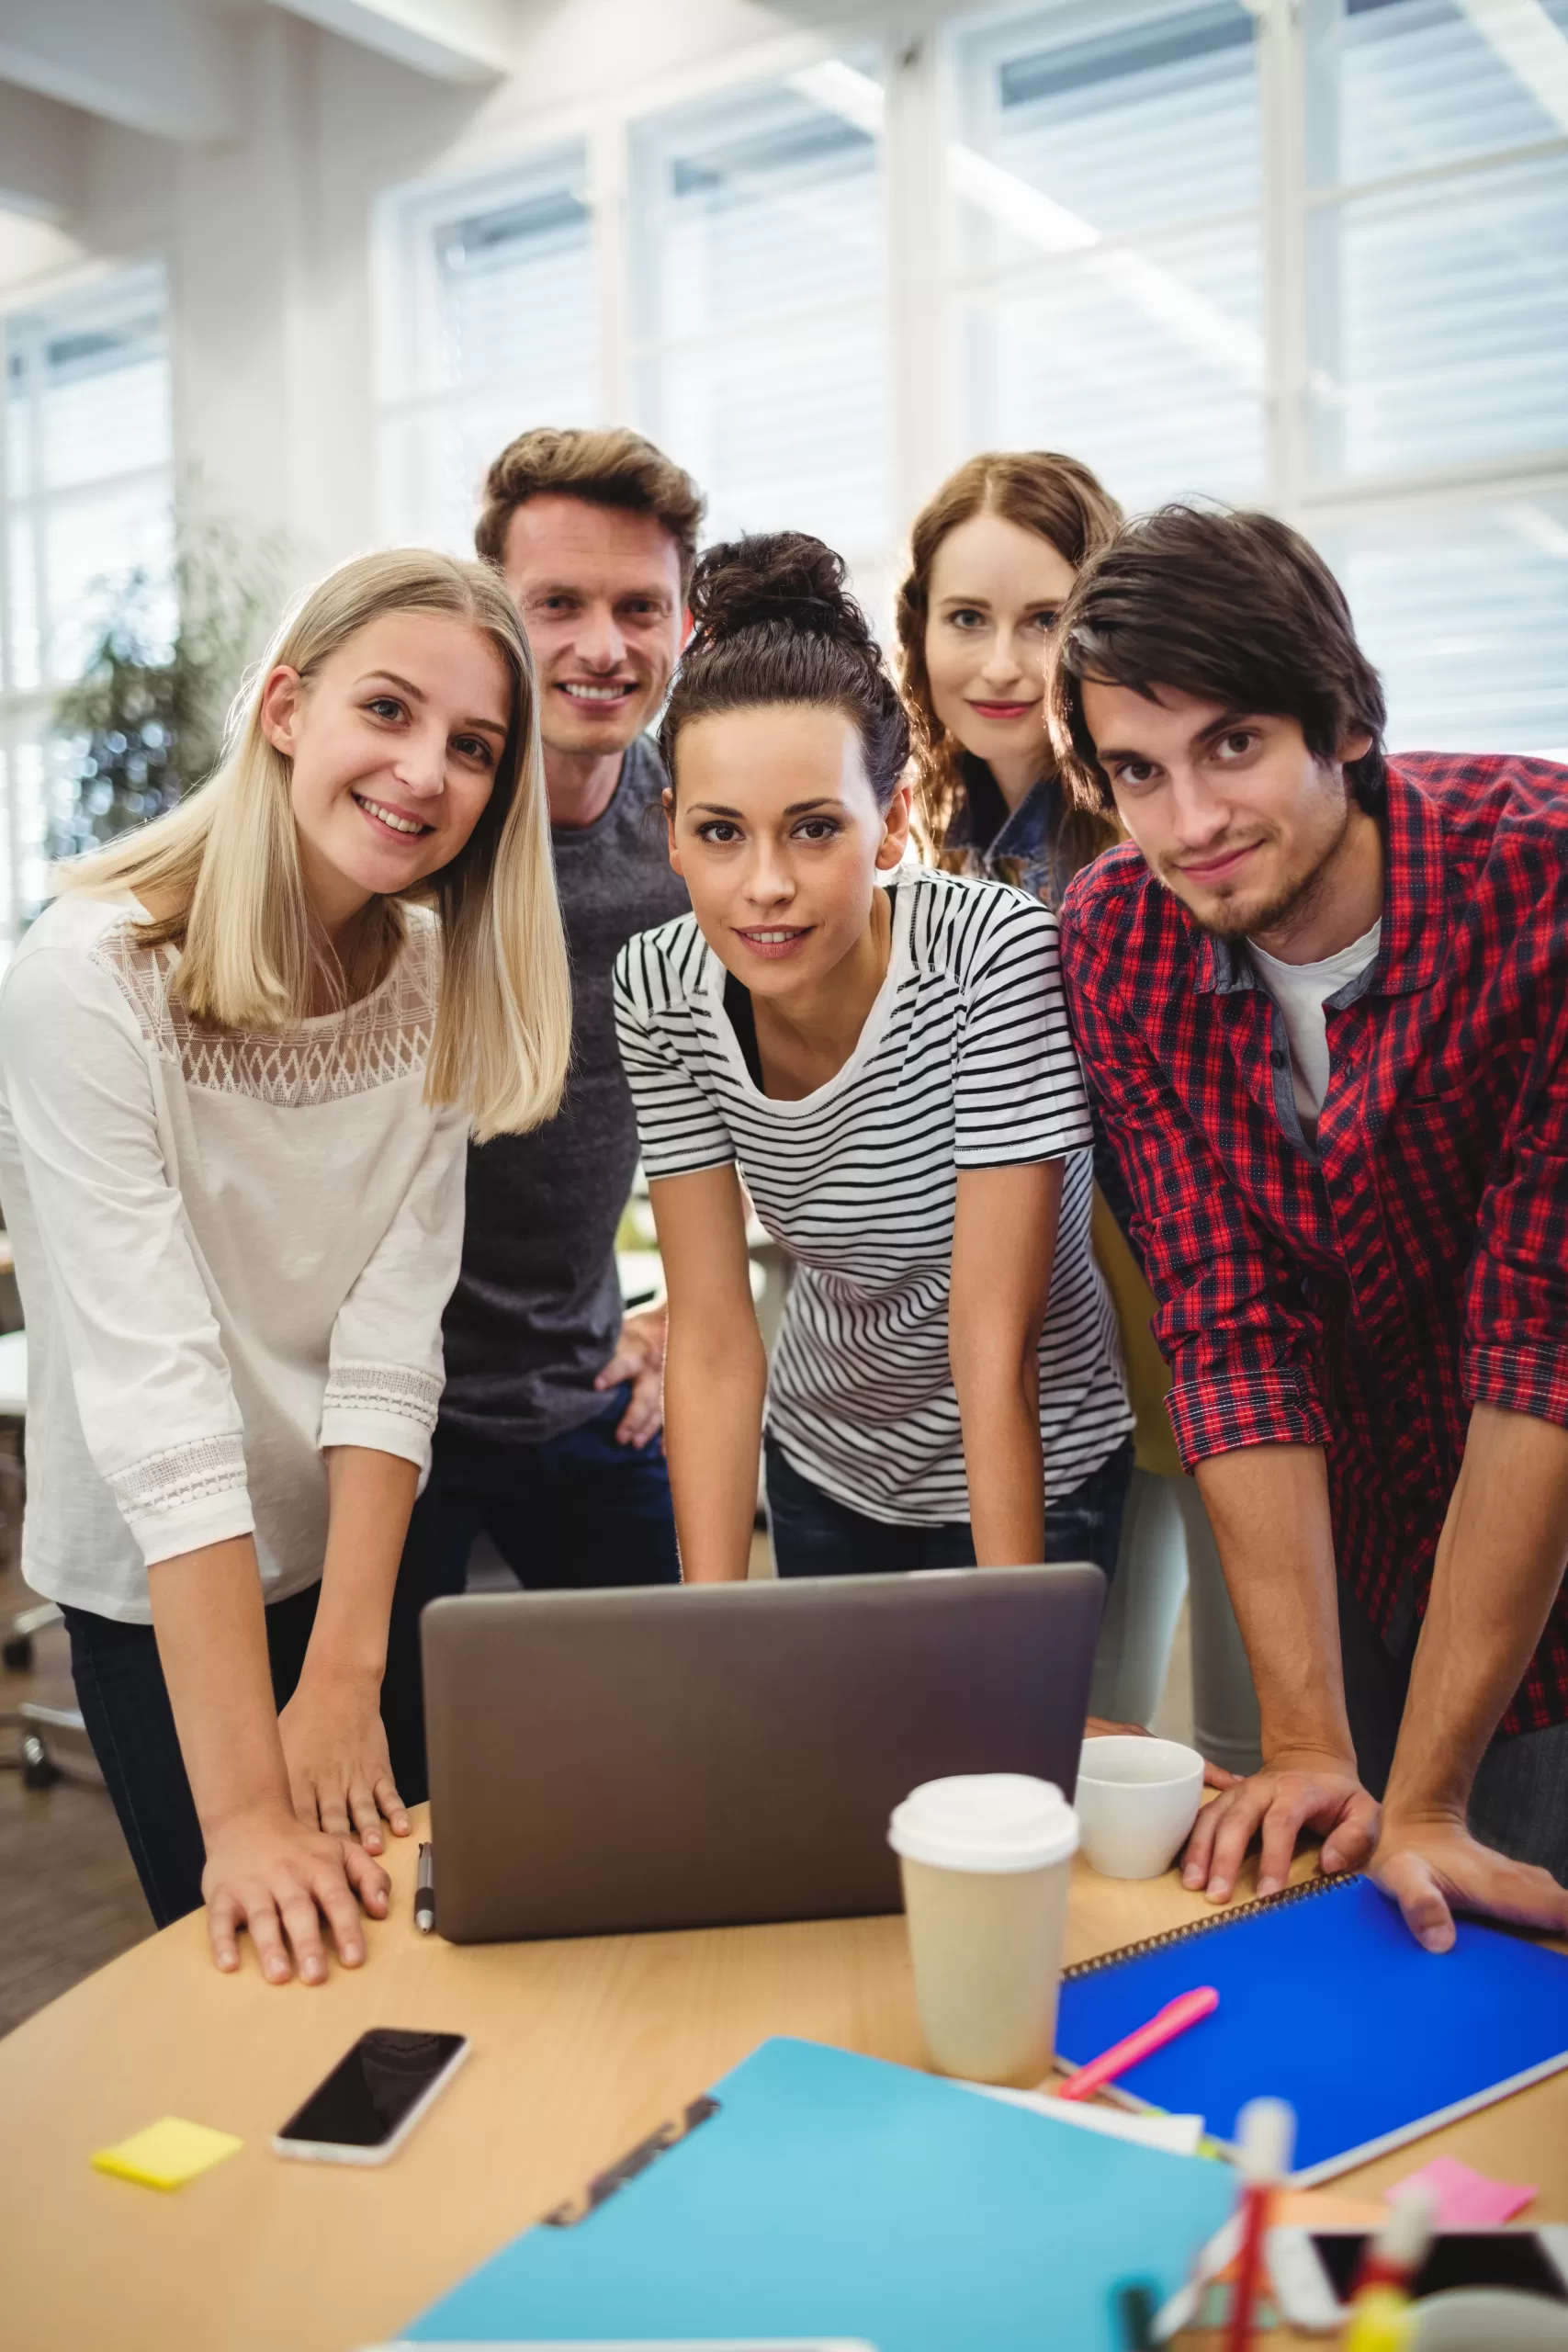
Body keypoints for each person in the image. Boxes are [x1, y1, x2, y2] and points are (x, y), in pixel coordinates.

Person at [0, 549, 570, 1980]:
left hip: (351, 1550)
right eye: (387, 710)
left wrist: (344, 1672)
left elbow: (391, 1338)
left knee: (416, 1946)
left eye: (473, 748)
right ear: (282, 710)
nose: (425, 770)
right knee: (259, 1959)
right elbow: (159, 1392)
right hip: (155, 1571)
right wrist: (247, 1805)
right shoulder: (82, 979)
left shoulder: (442, 973)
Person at [1051, 501, 1568, 1951]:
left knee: (1505, 1937)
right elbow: (1225, 1332)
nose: (1191, 826)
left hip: (1544, 1525)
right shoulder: (1114, 935)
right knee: (1354, 1920)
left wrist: (1431, 1795)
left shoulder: (1541, 882)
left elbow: (1538, 1349)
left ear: (1338, 718)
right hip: (1354, 1537)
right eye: (1137, 774)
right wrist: (1305, 1746)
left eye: (1231, 746)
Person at [614, 530, 1134, 1592]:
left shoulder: (992, 958)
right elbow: (711, 1337)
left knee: (1009, 1745)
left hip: (1036, 1458)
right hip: (830, 1459)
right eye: (721, 833)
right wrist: (708, 1624)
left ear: (892, 820)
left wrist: (1013, 1637)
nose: (764, 884)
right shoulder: (659, 987)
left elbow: (996, 1345)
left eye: (813, 829)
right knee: (829, 1759)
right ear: (671, 832)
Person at [896, 451, 1259, 1773]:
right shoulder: (938, 848)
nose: (998, 664)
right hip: (1060, 1366)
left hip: (1213, 1336)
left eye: (1041, 621)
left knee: (1253, 1742)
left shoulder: (1159, 834)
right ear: (917, 631)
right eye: (965, 620)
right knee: (1075, 1735)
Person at [386, 433, 699, 1789]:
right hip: (389, 1407)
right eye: (557, 604)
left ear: (684, 622)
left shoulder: (695, 831)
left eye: (639, 607)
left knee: (685, 1746)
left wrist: (688, 1313)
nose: (602, 645)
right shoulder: (419, 823)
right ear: (491, 614)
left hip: (580, 1386)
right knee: (395, 1797)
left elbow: (768, 1078)